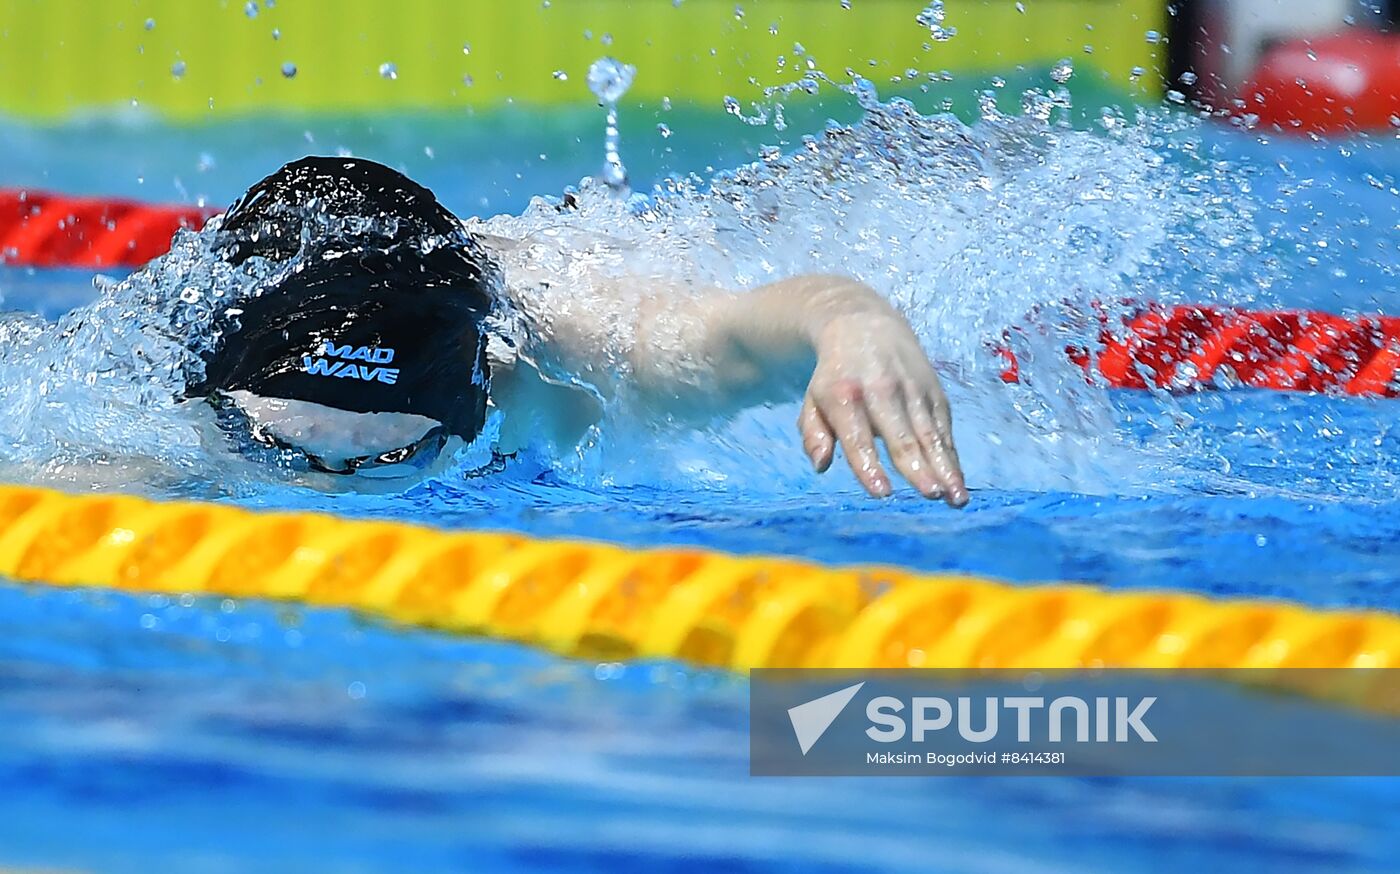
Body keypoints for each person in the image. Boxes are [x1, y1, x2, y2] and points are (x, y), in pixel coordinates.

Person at [189, 156, 968, 506]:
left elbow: (733, 341)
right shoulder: (162, 377)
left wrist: (851, 320)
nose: (326, 496)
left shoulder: (563, 372)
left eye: (394, 457)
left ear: (477, 400)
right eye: (277, 448)